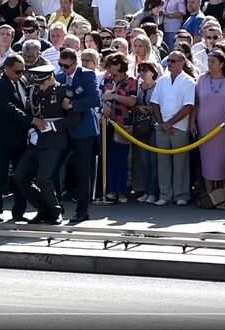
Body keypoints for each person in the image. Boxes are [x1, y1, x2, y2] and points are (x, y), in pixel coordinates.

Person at [15, 64, 80, 224]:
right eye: (38, 84)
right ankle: (43, 208)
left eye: (42, 83)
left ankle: (55, 210)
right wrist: (31, 131)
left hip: (54, 140)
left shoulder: (63, 92)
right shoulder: (34, 91)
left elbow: (74, 118)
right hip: (36, 140)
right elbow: (31, 114)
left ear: (51, 78)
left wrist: (53, 126)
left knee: (44, 177)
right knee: (19, 175)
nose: (40, 87)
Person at [0, 54, 43, 222]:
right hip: (2, 138)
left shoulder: (22, 80)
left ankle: (19, 211)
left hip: (19, 137)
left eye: (23, 70)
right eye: (18, 71)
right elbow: (9, 108)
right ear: (7, 69)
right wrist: (32, 120)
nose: (21, 73)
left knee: (21, 174)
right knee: (0, 175)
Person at [193, 49, 225, 208]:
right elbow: (195, 102)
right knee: (208, 159)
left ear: (222, 63)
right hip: (205, 124)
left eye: (213, 61)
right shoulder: (202, 79)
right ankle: (210, 195)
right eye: (208, 61)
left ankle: (224, 194)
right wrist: (192, 122)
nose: (210, 64)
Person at [53, 48, 100, 222]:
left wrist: (73, 104)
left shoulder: (87, 75)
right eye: (60, 65)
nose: (63, 69)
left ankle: (82, 210)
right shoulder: (59, 77)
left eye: (66, 66)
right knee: (54, 167)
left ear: (75, 63)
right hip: (65, 130)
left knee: (82, 171)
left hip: (83, 130)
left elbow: (94, 99)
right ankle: (56, 206)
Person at [150, 50, 194, 206]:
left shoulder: (189, 81)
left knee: (180, 162)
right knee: (163, 162)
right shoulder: (162, 80)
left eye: (173, 61)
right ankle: (165, 194)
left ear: (182, 62)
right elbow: (154, 103)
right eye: (168, 61)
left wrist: (171, 123)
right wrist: (162, 123)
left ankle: (181, 194)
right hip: (161, 127)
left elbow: (188, 106)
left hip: (180, 127)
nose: (169, 64)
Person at [100, 52, 137, 203]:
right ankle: (110, 190)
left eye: (111, 65)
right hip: (106, 124)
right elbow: (100, 97)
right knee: (109, 158)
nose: (108, 69)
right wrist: (104, 105)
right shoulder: (107, 79)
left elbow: (132, 102)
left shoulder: (131, 81)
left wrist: (114, 96)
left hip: (123, 125)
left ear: (120, 66)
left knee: (121, 159)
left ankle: (122, 191)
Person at [135, 60, 160, 203]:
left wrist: (152, 109)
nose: (142, 73)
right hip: (141, 126)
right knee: (144, 161)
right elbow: (135, 103)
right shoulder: (139, 87)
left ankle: (153, 191)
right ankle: (146, 190)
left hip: (154, 126)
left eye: (145, 70)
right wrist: (139, 108)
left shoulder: (158, 86)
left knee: (154, 160)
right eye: (140, 70)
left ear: (153, 71)